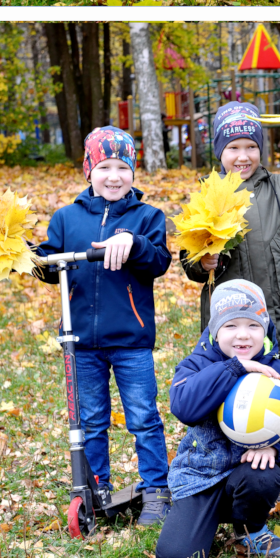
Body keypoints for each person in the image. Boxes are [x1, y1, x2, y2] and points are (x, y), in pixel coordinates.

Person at [32, 127, 175, 526]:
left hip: (130, 340)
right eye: (105, 167)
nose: (114, 176)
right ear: (88, 171)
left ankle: (156, 490)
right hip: (81, 342)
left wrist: (134, 243)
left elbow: (158, 261)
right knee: (90, 419)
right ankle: (96, 488)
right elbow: (49, 265)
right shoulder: (67, 219)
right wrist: (25, 256)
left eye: (122, 167)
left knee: (143, 416)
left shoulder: (147, 218)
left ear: (133, 171)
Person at [157, 280, 280, 558]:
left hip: (248, 474)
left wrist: (277, 450)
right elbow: (184, 408)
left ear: (265, 328)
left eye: (253, 325)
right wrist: (234, 368)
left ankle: (250, 530)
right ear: (215, 330)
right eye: (231, 326)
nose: (243, 335)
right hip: (200, 477)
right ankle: (200, 516)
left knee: (263, 474)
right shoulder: (197, 365)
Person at [183, 101, 280, 360]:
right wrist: (203, 263)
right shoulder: (208, 196)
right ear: (220, 151)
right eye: (233, 148)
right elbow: (190, 259)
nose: (243, 156)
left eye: (251, 147)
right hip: (230, 325)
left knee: (276, 392)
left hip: (276, 319)